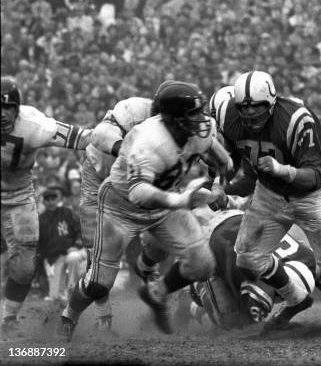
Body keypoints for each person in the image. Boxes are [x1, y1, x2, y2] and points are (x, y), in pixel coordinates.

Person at [59, 80, 232, 341]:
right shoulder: (146, 139)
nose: (201, 120)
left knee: (203, 265)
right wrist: (183, 200)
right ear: (173, 118)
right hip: (121, 205)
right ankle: (69, 315)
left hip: (165, 202)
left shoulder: (202, 128)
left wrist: (218, 186)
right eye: (192, 114)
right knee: (99, 283)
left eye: (200, 112)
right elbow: (137, 192)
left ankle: (158, 292)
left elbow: (223, 160)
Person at [218, 71, 321, 341]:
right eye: (244, 108)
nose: (250, 114)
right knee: (247, 258)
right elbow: (236, 166)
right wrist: (220, 189)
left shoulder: (295, 119)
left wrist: (282, 170)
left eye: (256, 107)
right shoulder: (229, 118)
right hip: (269, 195)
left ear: (271, 101)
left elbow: (315, 174)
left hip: (311, 195)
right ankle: (296, 299)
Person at [180, 173, 321, 332]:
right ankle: (193, 303)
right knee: (229, 323)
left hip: (237, 231)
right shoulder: (305, 262)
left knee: (235, 322)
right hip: (224, 236)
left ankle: (196, 296)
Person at [1, 76, 91, 336]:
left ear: (17, 108)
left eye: (7, 107)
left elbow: (81, 137)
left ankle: (8, 319)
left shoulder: (34, 125)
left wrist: (114, 142)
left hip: (17, 195)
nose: (2, 114)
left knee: (25, 264)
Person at [78, 96, 159, 332]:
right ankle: (103, 317)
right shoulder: (133, 109)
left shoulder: (176, 127)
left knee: (155, 239)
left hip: (129, 184)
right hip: (98, 176)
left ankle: (150, 282)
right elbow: (101, 134)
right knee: (96, 254)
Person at [38, 187, 85, 302]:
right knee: (55, 297)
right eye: (47, 199)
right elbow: (39, 245)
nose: (50, 202)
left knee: (74, 258)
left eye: (53, 199)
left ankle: (72, 289)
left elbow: (80, 230)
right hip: (53, 258)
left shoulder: (67, 213)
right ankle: (60, 292)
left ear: (57, 199)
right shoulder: (40, 220)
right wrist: (45, 263)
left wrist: (76, 246)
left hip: (71, 252)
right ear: (43, 202)